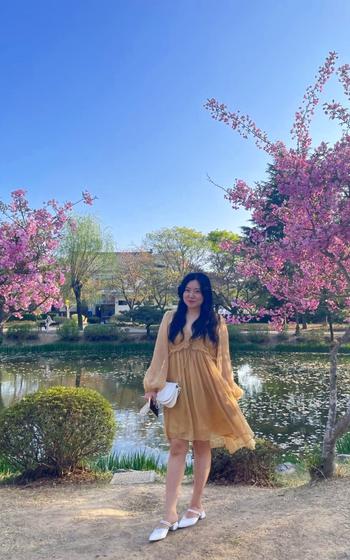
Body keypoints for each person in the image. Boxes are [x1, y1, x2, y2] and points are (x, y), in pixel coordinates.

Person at [143, 272, 256, 542]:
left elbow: (224, 360)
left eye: (198, 291)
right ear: (182, 291)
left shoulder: (216, 321)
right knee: (177, 446)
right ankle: (168, 513)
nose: (191, 294)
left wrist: (229, 391)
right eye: (188, 289)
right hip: (178, 389)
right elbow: (159, 354)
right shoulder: (170, 318)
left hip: (207, 388)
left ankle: (196, 505)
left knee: (202, 445)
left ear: (205, 295)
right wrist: (151, 386)